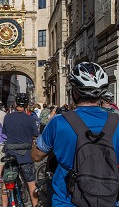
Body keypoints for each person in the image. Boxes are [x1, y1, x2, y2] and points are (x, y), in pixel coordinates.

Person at [31, 62, 119, 207]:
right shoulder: (116, 121)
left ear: (75, 92)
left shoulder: (59, 122)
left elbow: (36, 156)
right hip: (107, 197)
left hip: (67, 199)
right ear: (102, 93)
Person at [2, 93, 39, 207]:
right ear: (27, 105)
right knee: (31, 183)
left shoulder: (7, 117)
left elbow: (5, 133)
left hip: (11, 155)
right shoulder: (30, 118)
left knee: (6, 182)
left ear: (15, 104)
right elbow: (35, 135)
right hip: (26, 156)